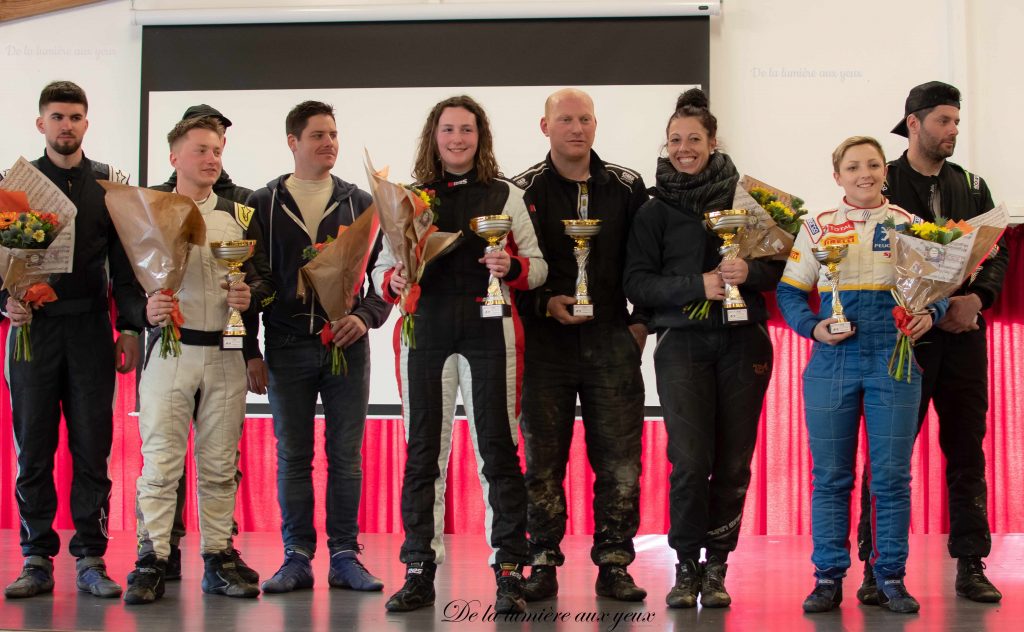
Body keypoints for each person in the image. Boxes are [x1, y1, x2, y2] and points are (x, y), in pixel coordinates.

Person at [372, 95, 547, 614]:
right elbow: (382, 270)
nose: (456, 139)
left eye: (466, 130)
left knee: (499, 451)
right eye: (447, 130)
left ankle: (511, 569)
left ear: (480, 136)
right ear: (434, 136)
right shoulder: (406, 197)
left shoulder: (506, 194)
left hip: (490, 332)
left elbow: (536, 269)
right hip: (424, 332)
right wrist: (395, 278)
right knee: (424, 453)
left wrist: (509, 266)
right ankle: (419, 567)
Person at [623, 89, 780, 609]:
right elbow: (638, 284)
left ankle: (718, 569)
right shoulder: (652, 210)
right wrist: (699, 284)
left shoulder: (751, 203)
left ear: (713, 142)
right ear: (665, 145)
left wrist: (749, 272)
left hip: (744, 342)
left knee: (734, 463)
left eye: (695, 139)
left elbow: (781, 269)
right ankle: (685, 566)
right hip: (682, 346)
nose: (684, 148)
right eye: (675, 140)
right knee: (690, 461)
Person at [854, 81, 1009, 605]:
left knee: (967, 449)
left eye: (957, 122)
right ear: (914, 123)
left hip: (962, 337)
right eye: (944, 121)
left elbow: (997, 254)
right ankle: (874, 569)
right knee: (889, 455)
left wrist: (976, 301)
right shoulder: (883, 181)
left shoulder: (971, 183)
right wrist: (917, 306)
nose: (953, 131)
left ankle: (971, 562)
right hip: (904, 338)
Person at [778, 136, 947, 614]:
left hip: (893, 359)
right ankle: (827, 577)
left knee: (891, 477)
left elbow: (940, 290)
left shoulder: (912, 227)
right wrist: (814, 327)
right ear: (838, 177)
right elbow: (790, 293)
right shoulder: (816, 228)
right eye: (853, 167)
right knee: (830, 477)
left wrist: (930, 314)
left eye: (873, 164)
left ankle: (890, 576)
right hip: (832, 360)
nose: (864, 173)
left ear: (885, 171)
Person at [2, 81, 146, 600]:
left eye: (76, 117)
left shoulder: (109, 185)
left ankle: (91, 557)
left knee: (92, 447)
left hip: (90, 330)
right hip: (32, 332)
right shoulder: (15, 185)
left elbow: (128, 267)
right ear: (41, 124)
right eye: (58, 117)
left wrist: (129, 327)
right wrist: (6, 302)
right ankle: (35, 558)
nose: (67, 125)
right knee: (33, 451)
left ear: (87, 124)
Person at [246, 101, 390, 594]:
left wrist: (364, 316)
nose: (329, 143)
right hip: (286, 345)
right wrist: (250, 349)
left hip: (347, 345)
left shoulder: (361, 202)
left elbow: (386, 275)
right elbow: (250, 278)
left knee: (346, 456)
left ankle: (346, 555)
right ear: (293, 142)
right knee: (293, 457)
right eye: (317, 135)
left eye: (333, 134)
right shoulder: (262, 203)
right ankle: (296, 557)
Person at [512, 88, 649, 602]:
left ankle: (615, 561)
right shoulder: (520, 190)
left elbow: (649, 258)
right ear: (545, 127)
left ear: (596, 125)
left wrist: (640, 325)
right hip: (546, 345)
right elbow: (514, 270)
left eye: (585, 118)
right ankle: (543, 559)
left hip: (613, 341)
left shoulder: (628, 186)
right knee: (543, 462)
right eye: (565, 119)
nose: (576, 127)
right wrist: (544, 303)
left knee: (620, 463)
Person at [124, 116, 260, 604]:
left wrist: (250, 295)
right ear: (174, 157)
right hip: (171, 349)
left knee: (222, 463)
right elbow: (122, 284)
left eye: (217, 150)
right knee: (161, 462)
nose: (211, 158)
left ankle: (219, 557)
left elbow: (262, 278)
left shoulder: (239, 215)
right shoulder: (149, 211)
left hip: (223, 352)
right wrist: (143, 310)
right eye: (201, 149)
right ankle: (152, 559)